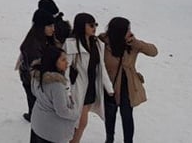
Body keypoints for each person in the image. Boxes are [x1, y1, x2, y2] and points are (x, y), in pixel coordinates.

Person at [100, 17, 158, 143]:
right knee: (110, 116)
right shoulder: (102, 43)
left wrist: (137, 43)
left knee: (127, 116)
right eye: (127, 30)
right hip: (110, 86)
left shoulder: (132, 44)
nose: (130, 32)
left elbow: (154, 51)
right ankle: (109, 139)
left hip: (127, 86)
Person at [64, 13, 112, 143]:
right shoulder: (71, 43)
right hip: (77, 88)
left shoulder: (97, 43)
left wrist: (109, 88)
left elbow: (101, 66)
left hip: (91, 87)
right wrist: (67, 90)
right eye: (91, 25)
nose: (94, 27)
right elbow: (65, 68)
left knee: (81, 123)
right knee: (77, 123)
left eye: (95, 24)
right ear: (81, 26)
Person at [29, 45, 80, 143]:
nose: (67, 62)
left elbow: (34, 93)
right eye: (63, 60)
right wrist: (75, 114)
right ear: (54, 61)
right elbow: (62, 111)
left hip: (37, 125)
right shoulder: (56, 84)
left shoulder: (37, 76)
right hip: (52, 132)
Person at [19, 8, 62, 119]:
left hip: (37, 80)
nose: (53, 29)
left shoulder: (46, 38)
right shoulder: (32, 44)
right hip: (33, 80)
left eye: (53, 26)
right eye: (49, 26)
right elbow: (35, 69)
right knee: (36, 105)